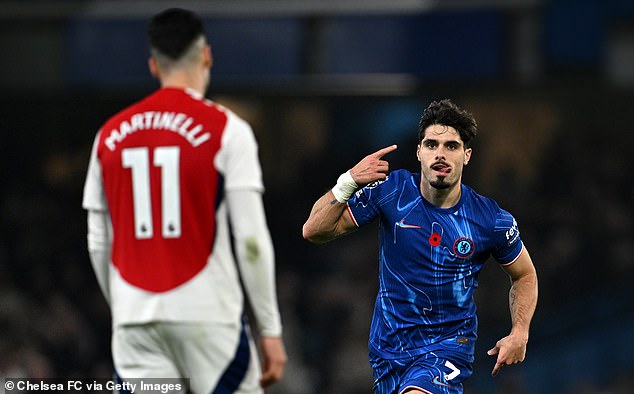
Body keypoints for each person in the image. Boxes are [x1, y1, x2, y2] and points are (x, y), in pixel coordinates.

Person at [82, 8, 286, 393]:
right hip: (208, 317)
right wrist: (270, 329)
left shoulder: (108, 136)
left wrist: (125, 308)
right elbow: (252, 241)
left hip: (134, 319)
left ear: (153, 66)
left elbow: (97, 241)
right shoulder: (228, 130)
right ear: (206, 56)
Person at [303, 99, 538, 393]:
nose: (440, 154)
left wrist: (520, 332)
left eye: (451, 146)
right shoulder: (393, 193)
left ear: (466, 155)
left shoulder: (490, 219)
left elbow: (524, 274)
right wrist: (348, 181)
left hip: (447, 347)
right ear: (419, 152)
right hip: (389, 350)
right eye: (431, 144)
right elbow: (315, 230)